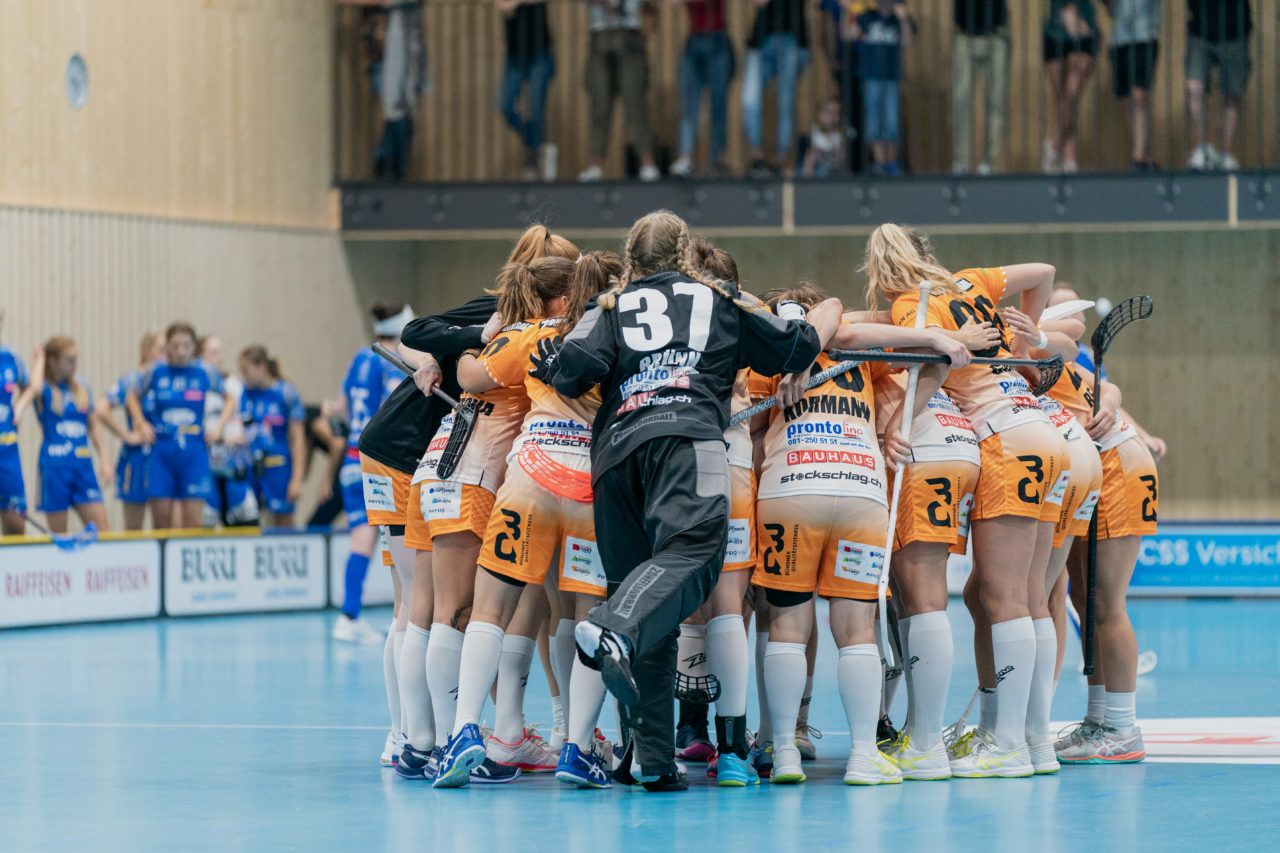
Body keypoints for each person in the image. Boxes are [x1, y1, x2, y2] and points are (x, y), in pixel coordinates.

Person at [534, 210, 826, 791]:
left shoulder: (610, 306)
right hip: (689, 440)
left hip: (616, 455)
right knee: (695, 549)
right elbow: (793, 350)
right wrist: (795, 316)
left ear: (632, 255)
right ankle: (614, 627)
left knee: (646, 601)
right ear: (686, 252)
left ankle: (655, 764)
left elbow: (570, 372)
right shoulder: (720, 297)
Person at [754, 283, 978, 786]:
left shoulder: (767, 349)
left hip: (790, 490)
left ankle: (785, 751)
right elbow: (933, 360)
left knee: (788, 626)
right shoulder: (857, 348)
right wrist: (900, 418)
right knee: (857, 630)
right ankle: (861, 754)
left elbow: (833, 314)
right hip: (860, 491)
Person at [866, 224, 1063, 778]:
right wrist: (1027, 342)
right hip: (1043, 429)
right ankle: (1029, 741)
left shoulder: (912, 304)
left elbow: (933, 363)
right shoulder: (969, 281)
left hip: (1003, 437)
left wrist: (897, 424)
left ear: (882, 273)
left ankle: (1003, 745)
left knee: (1004, 598)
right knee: (1013, 595)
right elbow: (1043, 274)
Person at [434, 254, 622, 788]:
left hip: (530, 477)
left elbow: (471, 376)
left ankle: (466, 730)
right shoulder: (622, 336)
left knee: (491, 608)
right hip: (589, 485)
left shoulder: (535, 332)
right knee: (587, 616)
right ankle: (577, 748)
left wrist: (474, 344)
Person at [334, 301, 411, 644]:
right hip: (374, 461)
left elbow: (341, 407)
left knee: (360, 540)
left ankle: (352, 615)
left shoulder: (360, 357)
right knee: (376, 540)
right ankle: (355, 616)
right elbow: (395, 408)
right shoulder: (392, 359)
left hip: (350, 460)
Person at [128, 323, 234, 530]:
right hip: (162, 450)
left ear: (194, 346)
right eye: (175, 346)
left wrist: (220, 427)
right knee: (162, 522)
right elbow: (132, 395)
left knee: (193, 522)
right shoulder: (155, 371)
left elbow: (230, 398)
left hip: (194, 451)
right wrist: (140, 423)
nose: (180, 352)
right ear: (167, 346)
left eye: (186, 346)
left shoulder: (204, 371)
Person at [24, 338, 110, 535]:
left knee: (103, 532)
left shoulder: (81, 388)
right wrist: (39, 358)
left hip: (83, 467)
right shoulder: (44, 389)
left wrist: (104, 460)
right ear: (53, 361)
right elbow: (34, 386)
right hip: (55, 469)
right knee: (59, 537)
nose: (74, 365)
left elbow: (93, 424)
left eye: (76, 359)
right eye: (69, 360)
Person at [579, 0, 659, 183]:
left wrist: (646, 29)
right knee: (600, 106)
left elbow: (651, 7)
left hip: (630, 36)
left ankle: (647, 164)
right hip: (600, 36)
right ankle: (595, 166)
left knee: (636, 105)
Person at [97, 331, 164, 531]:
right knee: (134, 527)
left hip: (165, 458)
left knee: (167, 526)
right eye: (161, 350)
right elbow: (101, 408)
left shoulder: (167, 379)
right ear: (146, 351)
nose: (165, 356)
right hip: (138, 459)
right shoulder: (133, 379)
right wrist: (125, 435)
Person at [237, 347, 307, 529]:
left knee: (283, 521)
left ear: (262, 367)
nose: (243, 375)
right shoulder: (242, 393)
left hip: (279, 466)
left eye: (246, 369)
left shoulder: (285, 393)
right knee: (246, 520)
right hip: (250, 467)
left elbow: (298, 439)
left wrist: (297, 479)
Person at [741, 0, 810, 177]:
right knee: (750, 100)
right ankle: (757, 159)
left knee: (786, 102)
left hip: (792, 35)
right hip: (761, 36)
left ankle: (782, 161)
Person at [846, 0, 913, 176]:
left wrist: (904, 18)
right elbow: (848, 35)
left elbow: (907, 42)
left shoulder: (900, 20)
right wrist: (846, 11)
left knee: (892, 121)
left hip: (892, 77)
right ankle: (879, 162)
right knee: (874, 119)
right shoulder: (867, 17)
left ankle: (892, 163)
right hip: (870, 76)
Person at [669, 0, 734, 178]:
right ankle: (685, 158)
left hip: (718, 39)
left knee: (717, 106)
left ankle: (715, 160)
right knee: (689, 103)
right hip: (694, 38)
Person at [1185, 0, 1252, 171]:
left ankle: (1226, 153)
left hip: (1235, 28)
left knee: (1233, 94)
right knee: (1194, 87)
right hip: (1200, 29)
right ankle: (1202, 148)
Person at [200, 335, 255, 528]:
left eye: (221, 352)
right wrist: (220, 437)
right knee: (206, 520)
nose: (220, 358)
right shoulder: (197, 385)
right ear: (200, 356)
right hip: (206, 469)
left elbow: (247, 425)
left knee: (248, 516)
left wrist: (234, 437)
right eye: (214, 353)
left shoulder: (233, 385)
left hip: (233, 467)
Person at [499, 0, 557, 181]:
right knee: (505, 106)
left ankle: (533, 158)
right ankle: (536, 143)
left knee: (535, 108)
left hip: (540, 52)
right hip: (514, 54)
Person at [950, 0, 1009, 175]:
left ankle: (989, 162)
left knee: (997, 102)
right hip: (964, 34)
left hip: (996, 34)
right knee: (960, 100)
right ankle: (962, 161)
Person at [1043, 0, 1098, 174]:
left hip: (1084, 29)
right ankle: (1069, 157)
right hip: (1055, 30)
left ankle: (1054, 146)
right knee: (1061, 98)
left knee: (1072, 95)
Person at [1104, 0, 1161, 170]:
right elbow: (1110, 10)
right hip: (1119, 40)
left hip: (1145, 36)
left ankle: (1138, 155)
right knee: (1126, 99)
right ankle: (1143, 153)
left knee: (1139, 94)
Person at [0, 307, 32, 535]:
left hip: (7, 453)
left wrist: (19, 407)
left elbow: (30, 386)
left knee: (16, 525)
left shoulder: (10, 357)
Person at [302, 404, 349, 528]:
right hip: (348, 467)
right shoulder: (308, 432)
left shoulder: (312, 421)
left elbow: (339, 444)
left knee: (316, 524)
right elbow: (304, 469)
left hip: (352, 466)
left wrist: (327, 481)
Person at [801, 97, 846, 177]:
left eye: (835, 112)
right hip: (816, 172)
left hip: (834, 173)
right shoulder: (813, 133)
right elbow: (808, 161)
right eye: (828, 112)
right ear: (820, 114)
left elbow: (844, 161)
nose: (831, 116)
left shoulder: (841, 136)